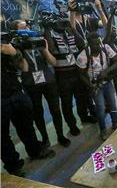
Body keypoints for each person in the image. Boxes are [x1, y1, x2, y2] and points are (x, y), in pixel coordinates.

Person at [11, 20, 70, 148]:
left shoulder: (39, 40)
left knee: (55, 109)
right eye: (22, 28)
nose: (27, 29)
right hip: (30, 83)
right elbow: (23, 68)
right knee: (38, 113)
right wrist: (20, 48)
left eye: (27, 26)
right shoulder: (16, 47)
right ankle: (45, 138)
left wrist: (44, 49)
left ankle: (60, 135)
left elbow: (53, 62)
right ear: (16, 32)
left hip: (48, 80)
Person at [1, 43, 55, 177]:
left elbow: (24, 67)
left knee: (26, 126)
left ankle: (35, 151)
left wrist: (14, 53)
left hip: (16, 92)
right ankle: (13, 166)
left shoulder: (4, 48)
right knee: (2, 136)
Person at [76, 32, 117, 140]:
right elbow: (80, 73)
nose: (99, 46)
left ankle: (115, 124)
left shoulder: (105, 48)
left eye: (100, 43)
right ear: (89, 45)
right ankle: (103, 129)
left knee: (112, 104)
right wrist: (91, 86)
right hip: (94, 85)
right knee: (100, 108)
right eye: (96, 44)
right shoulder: (83, 56)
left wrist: (107, 71)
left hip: (107, 82)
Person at [44, 16, 84, 136]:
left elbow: (81, 44)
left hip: (75, 72)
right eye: (59, 22)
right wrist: (47, 30)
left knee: (80, 98)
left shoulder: (69, 33)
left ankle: (84, 117)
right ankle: (72, 125)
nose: (62, 24)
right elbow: (50, 49)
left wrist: (72, 27)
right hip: (62, 76)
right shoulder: (51, 35)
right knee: (67, 103)